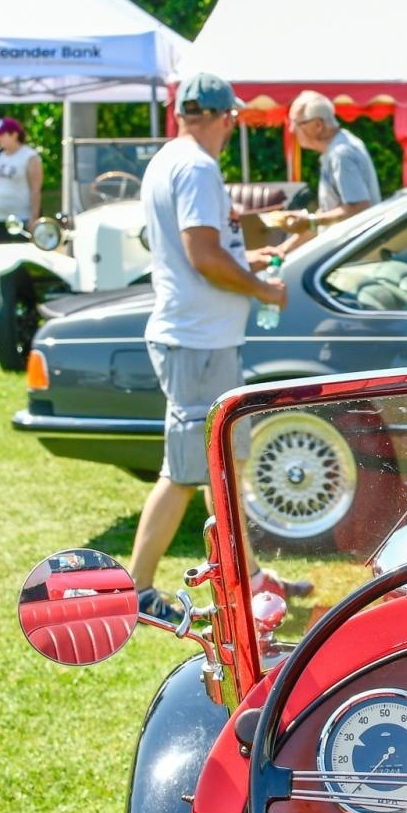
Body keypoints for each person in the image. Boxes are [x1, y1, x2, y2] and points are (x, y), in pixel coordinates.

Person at [129, 72, 298, 622]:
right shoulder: (198, 167)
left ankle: (247, 582)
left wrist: (245, 261)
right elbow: (201, 255)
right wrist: (262, 287)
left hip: (198, 335)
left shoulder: (168, 160)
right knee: (183, 471)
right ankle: (137, 589)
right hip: (195, 338)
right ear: (225, 117)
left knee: (219, 464)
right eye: (233, 120)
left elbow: (198, 252)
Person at [279, 90, 382, 251]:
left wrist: (311, 220)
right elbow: (330, 213)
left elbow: (359, 207)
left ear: (318, 125)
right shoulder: (335, 150)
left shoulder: (341, 154)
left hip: (353, 254)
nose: (291, 130)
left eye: (296, 123)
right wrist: (283, 250)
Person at [0, 117, 42, 244]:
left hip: (20, 217)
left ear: (14, 134)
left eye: (1, 135)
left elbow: (35, 189)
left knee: (20, 256)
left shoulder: (30, 157)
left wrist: (34, 216)